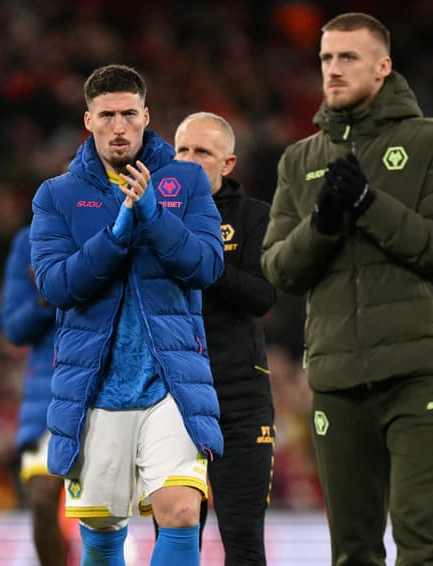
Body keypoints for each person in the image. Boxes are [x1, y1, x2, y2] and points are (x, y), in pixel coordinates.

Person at [261, 12, 433, 565]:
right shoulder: (299, 161)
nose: (333, 69)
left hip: (421, 370)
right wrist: (324, 225)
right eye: (326, 58)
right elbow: (280, 269)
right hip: (337, 377)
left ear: (383, 66)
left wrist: (368, 206)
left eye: (348, 57)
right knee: (351, 552)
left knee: (421, 546)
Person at [30, 63, 225, 565]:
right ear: (88, 120)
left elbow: (206, 265)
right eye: (108, 115)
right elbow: (56, 286)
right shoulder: (57, 195)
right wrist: (117, 234)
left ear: (146, 116)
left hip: (170, 379)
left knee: (181, 509)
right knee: (101, 531)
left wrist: (153, 217)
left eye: (129, 114)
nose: (119, 126)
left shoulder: (185, 181)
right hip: (95, 383)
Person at [169, 112, 276, 564]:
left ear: (227, 163)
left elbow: (262, 295)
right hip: (171, 398)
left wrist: (200, 260)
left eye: (203, 152)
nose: (189, 161)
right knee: (176, 532)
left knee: (243, 537)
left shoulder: (255, 217)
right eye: (182, 150)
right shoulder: (151, 212)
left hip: (238, 398)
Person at [0, 225, 69, 566]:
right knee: (43, 498)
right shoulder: (29, 242)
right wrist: (45, 298)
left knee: (106, 508)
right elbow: (13, 327)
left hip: (109, 382)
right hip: (50, 391)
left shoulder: (121, 226)